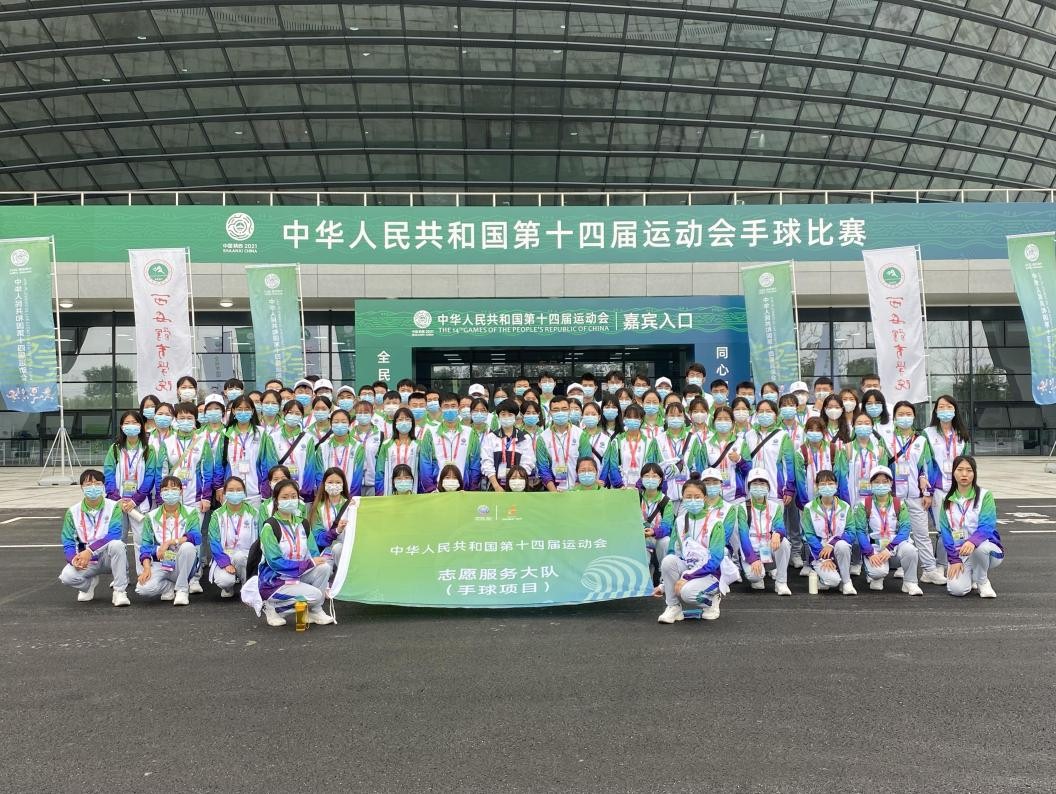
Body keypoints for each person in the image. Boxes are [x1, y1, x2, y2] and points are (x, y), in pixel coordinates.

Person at [257, 479, 335, 627]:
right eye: (285, 497)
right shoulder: (270, 526)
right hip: (275, 580)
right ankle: (271, 606)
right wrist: (308, 564)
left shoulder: (303, 523)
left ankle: (315, 611)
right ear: (276, 500)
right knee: (315, 595)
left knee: (324, 567)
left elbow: (313, 552)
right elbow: (275, 562)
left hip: (297, 575)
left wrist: (317, 560)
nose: (290, 500)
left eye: (293, 496)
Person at [656, 476, 729, 623]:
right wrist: (664, 585)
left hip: (710, 573)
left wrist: (687, 577)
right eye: (688, 497)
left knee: (687, 593)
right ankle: (673, 607)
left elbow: (715, 559)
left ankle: (712, 601)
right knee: (668, 560)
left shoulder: (716, 523)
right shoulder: (680, 521)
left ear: (705, 498)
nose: (693, 500)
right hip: (688, 568)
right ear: (682, 498)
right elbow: (673, 552)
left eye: (697, 497)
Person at [889, 400, 945, 585]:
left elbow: (926, 467)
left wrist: (927, 492)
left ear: (914, 417)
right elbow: (882, 469)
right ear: (894, 417)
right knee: (898, 534)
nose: (904, 418)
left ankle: (929, 570)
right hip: (894, 498)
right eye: (900, 414)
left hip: (916, 496)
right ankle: (902, 566)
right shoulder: (887, 440)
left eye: (908, 414)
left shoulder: (921, 441)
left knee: (922, 534)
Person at [59, 469, 130, 606]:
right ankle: (88, 585)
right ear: (81, 487)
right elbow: (68, 540)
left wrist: (90, 551)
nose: (93, 487)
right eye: (88, 484)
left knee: (117, 545)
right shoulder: (72, 512)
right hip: (87, 560)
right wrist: (74, 559)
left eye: (97, 484)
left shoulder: (114, 506)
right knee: (66, 577)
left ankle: (120, 591)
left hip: (108, 556)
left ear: (103, 486)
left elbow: (114, 534)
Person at [850, 466, 923, 595]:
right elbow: (860, 531)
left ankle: (910, 582)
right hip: (875, 547)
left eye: (885, 481)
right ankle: (876, 576)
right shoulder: (864, 504)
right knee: (877, 572)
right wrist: (870, 553)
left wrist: (890, 548)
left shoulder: (899, 503)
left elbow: (905, 528)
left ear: (891, 483)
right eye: (877, 482)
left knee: (911, 550)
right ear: (871, 484)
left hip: (894, 545)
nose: (881, 485)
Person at [103, 410, 159, 576]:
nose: (131, 426)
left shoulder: (148, 449)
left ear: (141, 426)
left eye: (134, 423)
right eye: (127, 423)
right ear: (121, 426)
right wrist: (116, 497)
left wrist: (135, 499)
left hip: (139, 503)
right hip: (118, 503)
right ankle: (121, 576)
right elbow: (108, 473)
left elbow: (150, 476)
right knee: (118, 541)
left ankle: (143, 574)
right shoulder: (115, 449)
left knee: (141, 540)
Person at [940, 455, 1003, 598]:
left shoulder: (985, 495)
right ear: (953, 472)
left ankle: (982, 581)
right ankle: (971, 575)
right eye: (960, 470)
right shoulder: (946, 499)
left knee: (981, 549)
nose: (964, 474)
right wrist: (954, 559)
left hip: (985, 549)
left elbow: (987, 525)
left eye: (969, 470)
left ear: (974, 474)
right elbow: (945, 532)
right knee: (957, 590)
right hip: (960, 552)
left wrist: (972, 542)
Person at [135, 476, 201, 606]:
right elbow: (145, 546)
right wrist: (146, 568)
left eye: (174, 488)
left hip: (183, 562)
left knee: (188, 547)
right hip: (161, 562)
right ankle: (168, 588)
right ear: (160, 493)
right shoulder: (151, 516)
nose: (170, 492)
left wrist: (170, 542)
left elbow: (196, 536)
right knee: (142, 588)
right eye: (165, 489)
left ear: (181, 491)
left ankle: (182, 590)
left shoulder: (191, 512)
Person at [800, 469, 856, 595]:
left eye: (830, 483)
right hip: (820, 553)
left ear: (836, 485)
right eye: (823, 484)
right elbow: (809, 535)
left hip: (839, 550)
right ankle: (821, 576)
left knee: (842, 545)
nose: (827, 487)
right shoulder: (809, 508)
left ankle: (847, 582)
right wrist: (825, 558)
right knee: (833, 581)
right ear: (816, 486)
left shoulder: (845, 506)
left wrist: (832, 543)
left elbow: (851, 533)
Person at [737, 469, 792, 596]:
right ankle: (758, 575)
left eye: (762, 484)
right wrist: (753, 559)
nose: (759, 487)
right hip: (752, 552)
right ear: (749, 487)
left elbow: (780, 527)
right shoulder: (742, 508)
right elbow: (743, 537)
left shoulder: (775, 506)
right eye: (755, 484)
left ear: (768, 487)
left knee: (784, 543)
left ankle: (781, 582)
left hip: (769, 551)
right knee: (755, 577)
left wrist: (777, 534)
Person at [925, 394, 972, 534]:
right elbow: (925, 464)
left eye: (949, 407)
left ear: (955, 410)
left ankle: (959, 549)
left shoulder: (962, 434)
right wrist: (928, 492)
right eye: (941, 407)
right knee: (942, 527)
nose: (945, 410)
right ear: (936, 411)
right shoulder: (928, 433)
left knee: (959, 525)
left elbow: (968, 464)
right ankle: (942, 548)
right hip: (937, 488)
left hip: (958, 487)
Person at [207, 476, 260, 598]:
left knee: (239, 557)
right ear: (225, 493)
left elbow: (259, 540)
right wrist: (225, 563)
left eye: (239, 490)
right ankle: (228, 588)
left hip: (246, 557)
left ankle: (246, 585)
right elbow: (214, 541)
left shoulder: (254, 513)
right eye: (231, 490)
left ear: (244, 492)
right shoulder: (217, 515)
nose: (235, 493)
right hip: (224, 556)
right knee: (224, 581)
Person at [261, 400, 322, 501]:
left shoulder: (308, 438)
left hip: (302, 490)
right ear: (284, 413)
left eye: (297, 413)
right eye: (290, 412)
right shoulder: (273, 437)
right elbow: (271, 466)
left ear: (302, 416)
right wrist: (277, 489)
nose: (293, 416)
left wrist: (306, 490)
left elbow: (310, 467)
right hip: (279, 491)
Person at [421, 393, 482, 491]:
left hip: (463, 488)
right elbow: (425, 462)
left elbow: (475, 462)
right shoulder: (430, 433)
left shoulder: (470, 433)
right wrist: (430, 488)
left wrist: (472, 487)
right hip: (437, 489)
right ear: (440, 409)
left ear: (458, 408)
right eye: (446, 406)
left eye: (453, 406)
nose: (450, 409)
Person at [220, 396, 268, 508]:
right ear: (233, 411)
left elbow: (266, 463)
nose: (243, 412)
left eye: (247, 409)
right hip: (231, 492)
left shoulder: (261, 433)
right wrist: (220, 487)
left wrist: (265, 489)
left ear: (252, 411)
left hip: (255, 492)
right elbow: (219, 463)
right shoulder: (225, 433)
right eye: (239, 409)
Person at [834, 411, 890, 507]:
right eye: (859, 423)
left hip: (874, 503)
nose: (863, 426)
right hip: (851, 500)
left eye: (867, 423)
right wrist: (845, 502)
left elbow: (884, 478)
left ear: (872, 427)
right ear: (854, 426)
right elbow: (842, 478)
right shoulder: (846, 449)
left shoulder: (880, 451)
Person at [480, 399, 535, 492]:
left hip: (519, 486)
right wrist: (496, 486)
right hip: (496, 487)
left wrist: (517, 482)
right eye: (503, 414)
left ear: (515, 416)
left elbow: (528, 463)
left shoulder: (524, 437)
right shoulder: (491, 437)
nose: (506, 417)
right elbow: (487, 463)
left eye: (510, 415)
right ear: (498, 416)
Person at [601, 404, 659, 488]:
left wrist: (639, 485)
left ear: (641, 420)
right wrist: (620, 485)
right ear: (624, 419)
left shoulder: (649, 443)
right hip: (622, 489)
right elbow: (613, 467)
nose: (632, 420)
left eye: (636, 417)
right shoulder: (616, 441)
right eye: (629, 417)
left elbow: (650, 466)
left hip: (642, 487)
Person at [376, 406, 431, 494]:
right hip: (390, 491)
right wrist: (379, 492)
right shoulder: (386, 444)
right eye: (400, 419)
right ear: (395, 423)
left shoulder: (419, 445)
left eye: (407, 419)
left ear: (412, 423)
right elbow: (380, 471)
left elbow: (423, 471)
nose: (404, 422)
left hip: (413, 490)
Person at [699, 405, 746, 503]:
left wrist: (739, 460)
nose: (723, 422)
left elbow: (749, 469)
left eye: (726, 419)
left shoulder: (741, 443)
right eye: (719, 419)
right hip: (712, 495)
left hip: (736, 496)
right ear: (714, 422)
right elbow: (701, 470)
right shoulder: (706, 444)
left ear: (733, 423)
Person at [537, 395, 583, 492]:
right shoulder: (542, 438)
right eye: (556, 410)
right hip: (554, 491)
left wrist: (577, 486)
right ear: (550, 413)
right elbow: (543, 467)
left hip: (578, 490)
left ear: (569, 411)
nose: (560, 412)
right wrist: (553, 490)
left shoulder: (581, 434)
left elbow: (585, 461)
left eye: (564, 409)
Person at [315, 407, 366, 496]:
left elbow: (357, 476)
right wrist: (324, 495)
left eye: (343, 422)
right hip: (327, 495)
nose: (339, 425)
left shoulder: (358, 447)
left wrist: (350, 497)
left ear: (349, 424)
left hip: (350, 495)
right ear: (331, 424)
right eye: (336, 422)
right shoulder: (322, 447)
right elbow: (319, 475)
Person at [309, 467, 353, 565]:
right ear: (324, 484)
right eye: (330, 482)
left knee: (338, 549)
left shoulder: (351, 505)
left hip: (346, 548)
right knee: (324, 568)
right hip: (327, 549)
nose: (334, 485)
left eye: (338, 482)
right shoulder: (317, 507)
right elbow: (318, 538)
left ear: (343, 484)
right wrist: (336, 531)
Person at [639, 462, 674, 566]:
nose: (650, 479)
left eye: (654, 476)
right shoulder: (636, 497)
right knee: (643, 562)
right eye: (646, 476)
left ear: (660, 480)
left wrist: (654, 532)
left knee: (666, 541)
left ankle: (663, 571)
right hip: (640, 538)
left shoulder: (666, 501)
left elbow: (667, 526)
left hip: (657, 537)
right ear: (641, 479)